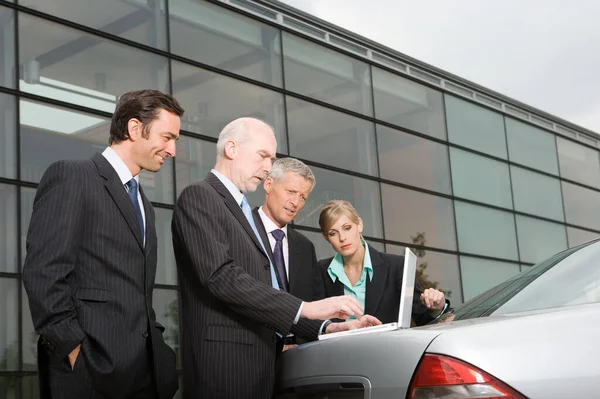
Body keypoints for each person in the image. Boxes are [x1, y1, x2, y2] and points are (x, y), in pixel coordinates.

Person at [171, 117, 380, 399]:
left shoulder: (242, 208)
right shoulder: (200, 196)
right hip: (226, 368)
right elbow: (221, 277)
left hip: (261, 368)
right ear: (231, 149)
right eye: (263, 156)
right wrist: (306, 308)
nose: (268, 166)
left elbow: (265, 298)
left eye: (271, 159)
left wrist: (334, 326)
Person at [22, 90, 184, 399]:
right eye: (167, 137)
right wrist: (75, 351)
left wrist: (159, 355)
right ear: (135, 129)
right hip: (91, 373)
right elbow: (44, 274)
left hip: (144, 374)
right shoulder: (73, 176)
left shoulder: (143, 204)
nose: (172, 150)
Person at [316, 200, 448, 325]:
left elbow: (423, 319)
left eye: (347, 228)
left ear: (359, 225)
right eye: (333, 233)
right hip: (337, 349)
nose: (342, 238)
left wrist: (437, 308)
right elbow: (315, 324)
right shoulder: (320, 271)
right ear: (326, 237)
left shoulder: (396, 267)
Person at [252, 157, 323, 349]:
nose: (295, 203)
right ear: (268, 184)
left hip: (298, 354)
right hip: (253, 350)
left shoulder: (305, 247)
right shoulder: (241, 229)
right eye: (291, 192)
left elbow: (313, 304)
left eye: (302, 197)